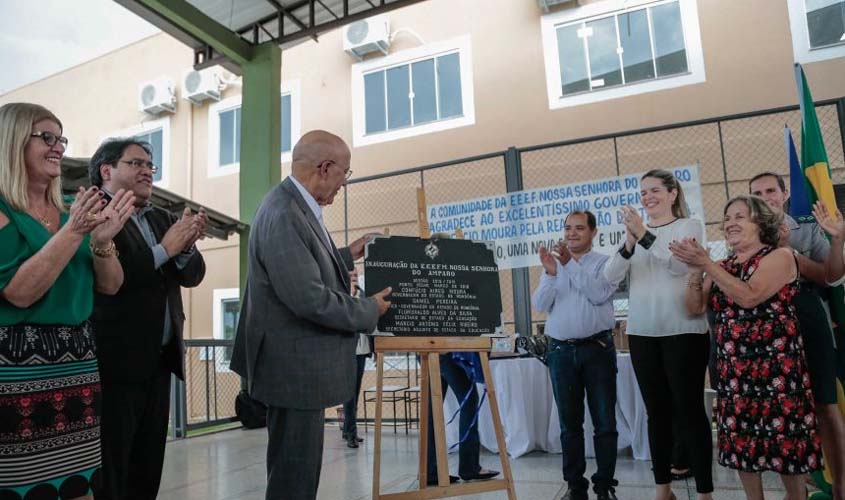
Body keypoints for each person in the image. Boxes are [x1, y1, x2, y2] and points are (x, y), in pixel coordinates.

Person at [229, 130, 393, 500]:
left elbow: (304, 264)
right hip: (293, 369)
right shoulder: (285, 212)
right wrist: (370, 309)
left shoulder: (294, 205)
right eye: (344, 174)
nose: (343, 185)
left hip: (296, 365)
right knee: (294, 476)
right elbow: (308, 298)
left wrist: (347, 254)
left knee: (298, 471)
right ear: (324, 168)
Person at [0, 103, 134, 499]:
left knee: (77, 483)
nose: (57, 146)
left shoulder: (69, 213)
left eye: (61, 138)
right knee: (23, 485)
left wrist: (103, 242)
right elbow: (20, 292)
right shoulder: (6, 211)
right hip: (19, 373)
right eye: (46, 137)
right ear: (12, 142)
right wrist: (74, 232)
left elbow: (111, 286)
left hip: (77, 366)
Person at [671, 195, 822, 500]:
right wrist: (693, 270)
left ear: (761, 223)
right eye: (727, 218)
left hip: (779, 373)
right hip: (736, 373)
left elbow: (750, 296)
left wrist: (706, 265)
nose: (731, 223)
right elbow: (694, 307)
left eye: (740, 216)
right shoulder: (723, 266)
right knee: (743, 447)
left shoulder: (780, 257)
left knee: (787, 450)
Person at [88, 138, 207, 500]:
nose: (146, 171)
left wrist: (185, 246)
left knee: (148, 465)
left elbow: (193, 276)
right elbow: (111, 281)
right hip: (116, 364)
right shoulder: (92, 213)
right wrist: (165, 249)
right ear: (107, 170)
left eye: (150, 165)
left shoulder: (161, 217)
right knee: (114, 466)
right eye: (136, 163)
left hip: (160, 361)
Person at [604, 169, 713, 500]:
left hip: (684, 332)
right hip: (642, 334)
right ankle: (662, 489)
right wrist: (629, 242)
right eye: (643, 192)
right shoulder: (636, 235)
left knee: (690, 409)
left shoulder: (688, 227)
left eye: (654, 190)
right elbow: (610, 276)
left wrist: (645, 234)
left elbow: (679, 267)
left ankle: (705, 492)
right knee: (657, 412)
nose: (647, 197)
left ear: (672, 194)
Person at [749, 172, 845, 500]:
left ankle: (841, 485)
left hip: (806, 315)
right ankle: (800, 487)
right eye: (756, 193)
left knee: (825, 403)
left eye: (770, 190)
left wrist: (835, 241)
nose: (765, 197)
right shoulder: (746, 234)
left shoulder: (806, 228)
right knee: (783, 410)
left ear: (785, 192)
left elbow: (832, 277)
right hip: (766, 328)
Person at [531, 210, 622, 500]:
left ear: (593, 233)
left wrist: (569, 266)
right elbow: (541, 303)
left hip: (597, 350)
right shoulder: (555, 265)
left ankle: (604, 486)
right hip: (560, 352)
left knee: (605, 422)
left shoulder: (605, 263)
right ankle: (575, 486)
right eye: (568, 228)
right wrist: (550, 273)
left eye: (579, 228)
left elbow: (597, 294)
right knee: (569, 425)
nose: (572, 233)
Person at [342, 268, 372, 449]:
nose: (354, 278)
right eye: (350, 276)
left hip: (362, 350)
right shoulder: (342, 297)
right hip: (348, 352)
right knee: (349, 394)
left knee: (355, 391)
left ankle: (348, 430)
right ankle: (351, 434)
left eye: (355, 275)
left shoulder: (364, 295)